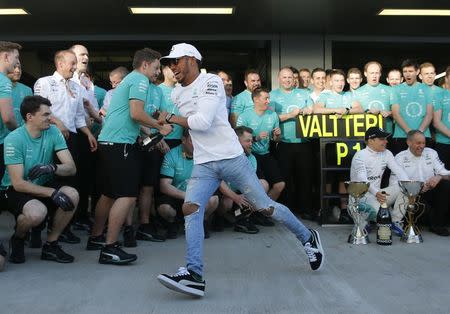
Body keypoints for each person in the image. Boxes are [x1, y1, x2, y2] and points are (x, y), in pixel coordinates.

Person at [157, 43, 324, 298]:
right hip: (203, 163)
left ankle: (307, 237)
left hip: (231, 158)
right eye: (169, 63)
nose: (171, 67)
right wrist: (165, 125)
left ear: (191, 59)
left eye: (175, 61)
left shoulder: (210, 82)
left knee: (265, 207)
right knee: (190, 208)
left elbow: (202, 122)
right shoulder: (177, 94)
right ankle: (194, 275)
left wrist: (170, 119)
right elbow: (189, 126)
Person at [87, 48, 172, 265]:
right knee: (127, 195)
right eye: (155, 68)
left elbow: (133, 115)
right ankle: (110, 248)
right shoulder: (140, 80)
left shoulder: (133, 80)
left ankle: (96, 238)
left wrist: (153, 122)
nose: (157, 73)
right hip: (120, 144)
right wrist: (158, 127)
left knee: (108, 194)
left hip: (110, 142)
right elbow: (136, 113)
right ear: (144, 65)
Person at [3, 95, 79, 264]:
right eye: (45, 115)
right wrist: (52, 193)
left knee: (72, 194)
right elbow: (18, 183)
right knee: (37, 213)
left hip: (43, 183)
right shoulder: (14, 139)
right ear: (30, 117)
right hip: (15, 190)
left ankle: (51, 245)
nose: (50, 118)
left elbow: (71, 168)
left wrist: (52, 167)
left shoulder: (53, 131)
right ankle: (19, 237)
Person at [34, 50, 97, 244]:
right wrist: (57, 123)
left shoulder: (77, 88)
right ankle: (37, 230)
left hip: (72, 140)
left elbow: (79, 116)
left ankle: (62, 228)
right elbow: (37, 109)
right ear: (60, 64)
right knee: (46, 182)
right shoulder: (44, 82)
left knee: (70, 183)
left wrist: (88, 134)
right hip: (49, 138)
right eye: (71, 63)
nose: (75, 67)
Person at [270, 67, 315, 219]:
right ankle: (287, 211)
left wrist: (309, 110)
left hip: (303, 141)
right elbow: (271, 118)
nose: (287, 80)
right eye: (284, 77)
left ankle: (305, 209)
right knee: (286, 178)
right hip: (284, 143)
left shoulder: (303, 93)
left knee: (305, 177)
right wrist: (290, 114)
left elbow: (312, 108)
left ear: (294, 79)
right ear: (279, 79)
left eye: (290, 77)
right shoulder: (273, 95)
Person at [158, 129, 218, 239]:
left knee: (214, 199)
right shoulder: (171, 155)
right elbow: (164, 186)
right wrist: (187, 196)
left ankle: (202, 221)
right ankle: (174, 222)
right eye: (192, 140)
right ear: (183, 140)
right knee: (164, 208)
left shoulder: (205, 155)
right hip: (178, 195)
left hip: (198, 194)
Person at [350, 127, 409, 236]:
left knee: (405, 186)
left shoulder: (387, 153)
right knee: (381, 215)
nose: (386, 141)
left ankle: (396, 221)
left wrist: (410, 185)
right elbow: (363, 180)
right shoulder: (360, 156)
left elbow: (398, 170)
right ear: (371, 140)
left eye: (386, 139)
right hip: (361, 198)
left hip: (377, 195)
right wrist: (376, 193)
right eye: (382, 139)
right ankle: (364, 221)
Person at [393, 130, 450, 236]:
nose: (422, 146)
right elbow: (395, 184)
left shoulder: (431, 153)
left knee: (446, 185)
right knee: (421, 209)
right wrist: (416, 188)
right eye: (418, 143)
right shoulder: (400, 158)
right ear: (409, 142)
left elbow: (445, 173)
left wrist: (438, 177)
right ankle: (413, 223)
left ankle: (438, 225)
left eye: (423, 143)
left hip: (430, 190)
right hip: (411, 195)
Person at [236, 88, 285, 202]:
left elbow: (276, 140)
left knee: (280, 185)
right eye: (266, 98)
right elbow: (237, 140)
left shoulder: (273, 115)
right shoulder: (244, 116)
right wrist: (255, 138)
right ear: (256, 99)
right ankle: (256, 213)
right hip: (250, 155)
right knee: (262, 186)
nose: (268, 101)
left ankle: (264, 212)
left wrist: (277, 136)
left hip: (266, 154)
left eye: (269, 98)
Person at [217, 126, 268, 234]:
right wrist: (235, 197)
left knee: (263, 185)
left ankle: (241, 218)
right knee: (227, 202)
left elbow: (251, 183)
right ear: (236, 141)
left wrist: (249, 197)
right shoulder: (223, 157)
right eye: (247, 141)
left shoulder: (251, 158)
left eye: (251, 141)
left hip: (242, 195)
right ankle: (219, 218)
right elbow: (218, 182)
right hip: (226, 195)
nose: (251, 144)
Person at [0, 41, 21, 260]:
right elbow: (7, 118)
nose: (17, 63)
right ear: (6, 57)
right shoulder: (3, 81)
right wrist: (20, 134)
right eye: (15, 58)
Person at [391, 59, 433, 154]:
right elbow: (396, 114)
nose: (407, 74)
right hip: (401, 136)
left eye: (410, 71)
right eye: (405, 71)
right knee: (401, 167)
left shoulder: (427, 89)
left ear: (417, 72)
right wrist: (410, 133)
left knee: (424, 167)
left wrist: (419, 133)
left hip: (423, 136)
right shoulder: (396, 89)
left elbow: (429, 114)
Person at [355, 61, 395, 133]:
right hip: (365, 134)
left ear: (380, 74)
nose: (374, 76)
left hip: (387, 133)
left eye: (376, 73)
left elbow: (399, 113)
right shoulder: (357, 92)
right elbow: (353, 115)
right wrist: (367, 112)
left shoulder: (390, 90)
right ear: (365, 74)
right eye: (371, 73)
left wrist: (389, 113)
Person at [7, 61, 32, 128]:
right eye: (14, 67)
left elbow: (31, 114)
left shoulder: (28, 90)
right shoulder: (2, 88)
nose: (18, 70)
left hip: (22, 134)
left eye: (19, 68)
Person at [434, 67, 450, 168]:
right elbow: (436, 122)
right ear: (447, 78)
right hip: (443, 143)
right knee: (443, 178)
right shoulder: (439, 95)